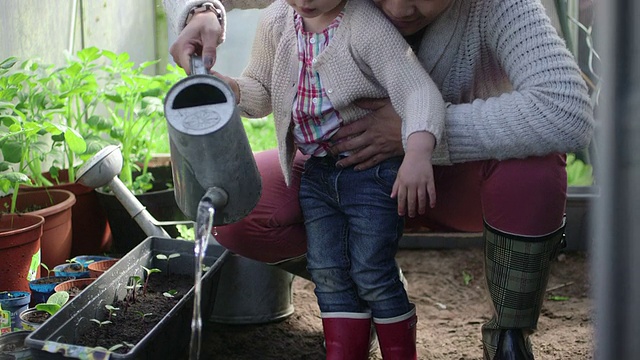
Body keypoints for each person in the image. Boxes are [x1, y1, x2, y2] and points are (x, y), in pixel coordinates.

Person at [163, 0, 595, 359]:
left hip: (459, 181)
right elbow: (258, 80)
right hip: (341, 170)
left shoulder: (498, 6)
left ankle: (508, 332)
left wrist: (412, 134)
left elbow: (565, 109)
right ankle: (362, 297)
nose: (399, 8)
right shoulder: (298, 16)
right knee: (244, 209)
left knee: (534, 170)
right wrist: (202, 14)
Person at [179, 0, 446, 358]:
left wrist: (417, 152)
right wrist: (233, 88)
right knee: (327, 268)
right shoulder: (278, 20)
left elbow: (417, 89)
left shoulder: (364, 26)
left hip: (370, 170)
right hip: (318, 171)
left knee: (371, 268)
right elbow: (262, 92)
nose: (306, 2)